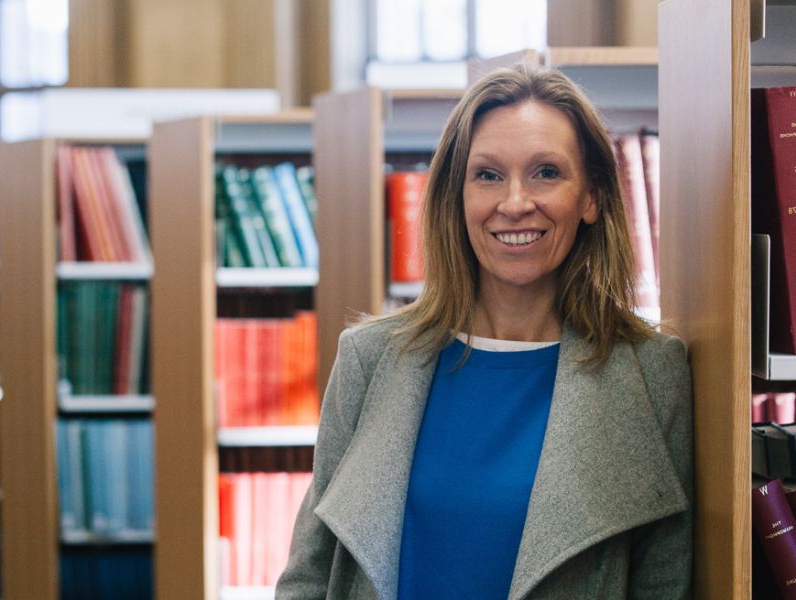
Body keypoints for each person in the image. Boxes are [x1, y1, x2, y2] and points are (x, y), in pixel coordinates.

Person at [275, 65, 693, 599]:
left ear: (591, 197)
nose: (515, 202)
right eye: (488, 175)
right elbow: (310, 575)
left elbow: (664, 581)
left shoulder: (651, 372)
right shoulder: (369, 358)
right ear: (456, 196)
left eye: (546, 172)